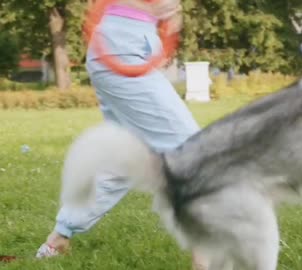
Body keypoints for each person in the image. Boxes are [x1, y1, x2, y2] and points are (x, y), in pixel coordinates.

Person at [36, 0, 208, 268]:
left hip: (128, 47)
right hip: (119, 50)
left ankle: (58, 239)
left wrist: (172, 14)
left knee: (124, 162)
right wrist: (152, 9)